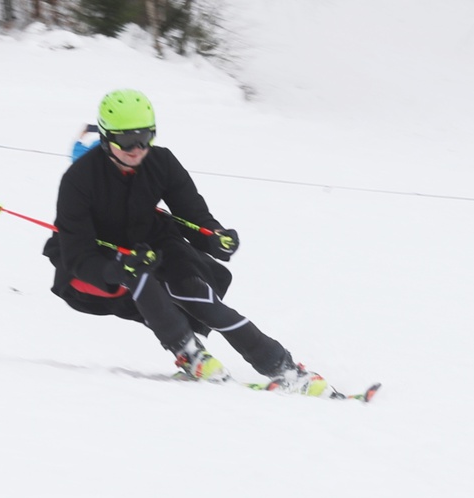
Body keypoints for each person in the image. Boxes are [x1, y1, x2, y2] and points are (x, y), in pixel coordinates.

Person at [44, 89, 340, 398]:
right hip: (100, 257)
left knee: (194, 291)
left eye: (145, 137)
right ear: (105, 137)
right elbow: (76, 254)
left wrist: (216, 238)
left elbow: (194, 216)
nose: (137, 149)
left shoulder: (161, 162)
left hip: (151, 239)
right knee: (140, 278)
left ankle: (284, 367)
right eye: (126, 140)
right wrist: (116, 268)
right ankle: (191, 354)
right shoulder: (78, 179)